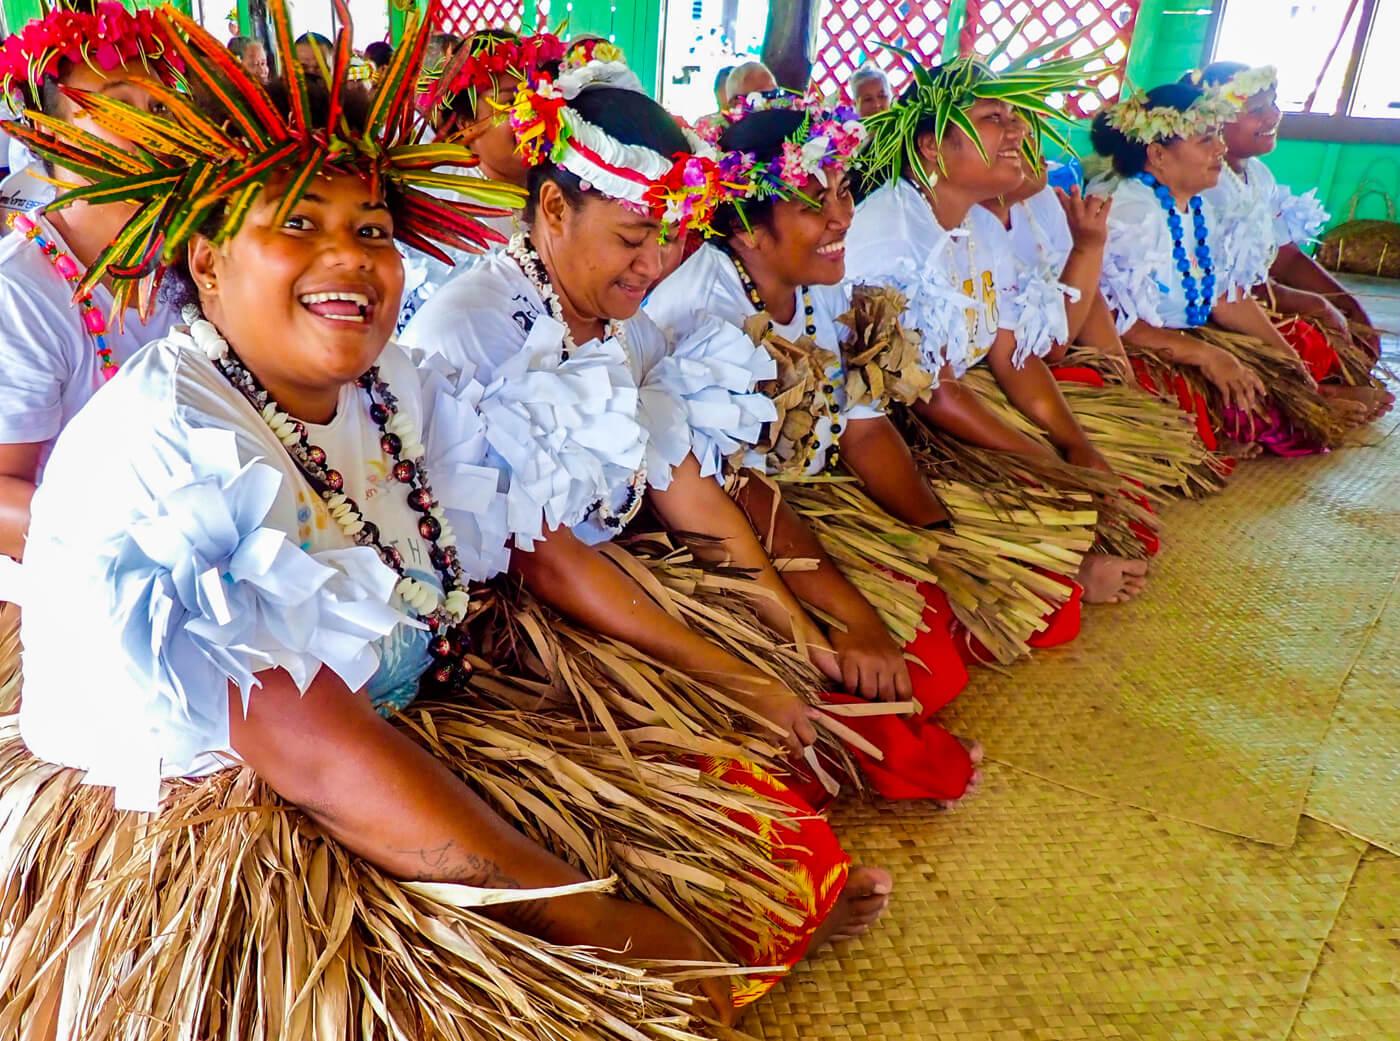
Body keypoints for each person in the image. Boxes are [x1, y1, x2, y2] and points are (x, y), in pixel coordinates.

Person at [0, 4, 864, 1035]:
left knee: (752, 857)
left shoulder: (391, 384)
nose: (349, 257)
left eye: (371, 230)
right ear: (207, 262)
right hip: (231, 808)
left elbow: (464, 576)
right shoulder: (170, 445)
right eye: (295, 225)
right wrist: (590, 915)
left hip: (391, 714)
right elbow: (315, 759)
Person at [402, 56, 893, 1004]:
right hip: (499, 626)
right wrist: (733, 672)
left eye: (669, 236)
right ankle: (729, 912)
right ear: (551, 211)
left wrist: (791, 634)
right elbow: (544, 559)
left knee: (819, 718)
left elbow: (686, 485)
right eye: (633, 236)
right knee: (694, 785)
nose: (657, 263)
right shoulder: (469, 330)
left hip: (609, 569)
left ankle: (772, 876)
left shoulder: (609, 313)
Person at [848, 51, 1154, 604]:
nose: (1016, 131)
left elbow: (1012, 351)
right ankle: (1044, 563)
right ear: (931, 145)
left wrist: (1075, 446)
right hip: (895, 428)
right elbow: (931, 394)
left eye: (1016, 118)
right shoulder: (893, 233)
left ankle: (1062, 547)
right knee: (1049, 596)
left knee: (1131, 521)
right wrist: (1047, 468)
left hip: (962, 404)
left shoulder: (980, 226)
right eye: (995, 118)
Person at [1091, 82, 1367, 457]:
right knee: (1207, 397)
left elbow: (1224, 296)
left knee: (1284, 362)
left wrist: (1291, 364)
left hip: (1184, 335)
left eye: (1218, 135)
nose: (1220, 148)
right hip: (1136, 349)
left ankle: (1308, 399)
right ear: (1157, 154)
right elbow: (1109, 322)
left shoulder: (1196, 206)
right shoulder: (1130, 214)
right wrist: (1206, 355)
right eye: (1206, 140)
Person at [0, 2, 185, 560]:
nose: (149, 127)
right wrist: (149, 549)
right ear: (48, 133)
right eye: (117, 109)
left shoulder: (197, 254)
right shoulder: (22, 292)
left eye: (160, 107)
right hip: (96, 580)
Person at [1194, 62, 1391, 404]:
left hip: (1251, 299)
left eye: (1274, 103)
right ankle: (1316, 394)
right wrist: (1303, 303)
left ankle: (1321, 387)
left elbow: (1285, 258)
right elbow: (1216, 283)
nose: (1273, 117)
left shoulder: (1258, 175)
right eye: (1257, 110)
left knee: (1346, 338)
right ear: (1214, 119)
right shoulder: (1205, 184)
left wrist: (1346, 306)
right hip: (1209, 310)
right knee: (1305, 339)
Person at [396, 28, 566, 327]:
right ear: (466, 123)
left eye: (538, 94)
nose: (531, 113)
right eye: (511, 100)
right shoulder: (441, 206)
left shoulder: (569, 191)